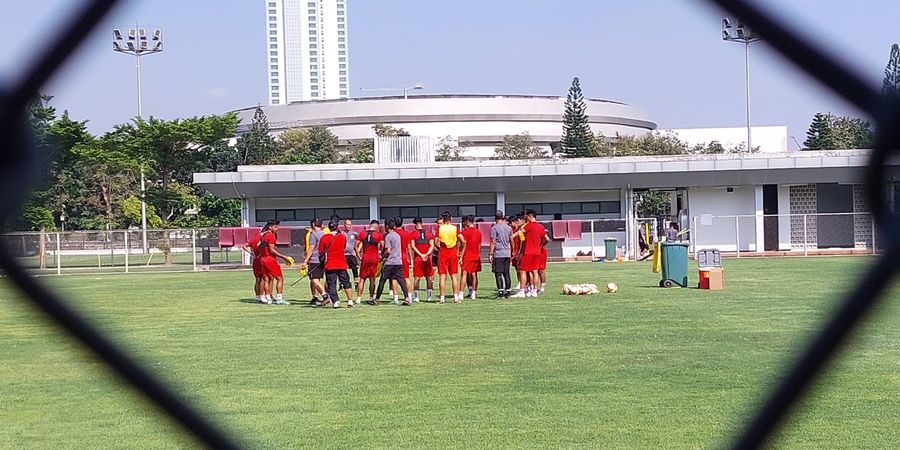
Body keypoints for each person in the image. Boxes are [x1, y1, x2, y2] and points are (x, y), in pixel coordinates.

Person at [372, 218, 411, 306]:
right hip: (398, 261)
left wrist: (382, 257)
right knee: (401, 280)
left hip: (390, 262)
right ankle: (407, 298)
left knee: (382, 280)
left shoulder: (388, 236)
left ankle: (377, 299)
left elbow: (388, 250)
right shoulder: (397, 235)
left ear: (386, 227)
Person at [256, 220, 294, 304]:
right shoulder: (270, 236)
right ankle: (279, 299)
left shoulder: (263, 235)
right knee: (280, 278)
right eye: (275, 227)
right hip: (269, 259)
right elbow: (272, 250)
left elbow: (258, 246)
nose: (277, 229)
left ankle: (268, 298)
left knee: (266, 279)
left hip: (262, 259)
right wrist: (284, 257)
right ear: (270, 227)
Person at [319, 219, 354, 308]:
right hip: (341, 263)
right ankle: (350, 301)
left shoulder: (324, 238)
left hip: (330, 264)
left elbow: (321, 251)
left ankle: (335, 301)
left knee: (331, 284)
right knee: (346, 283)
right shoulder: (342, 237)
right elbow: (344, 247)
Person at [513, 210, 548, 298]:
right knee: (535, 271)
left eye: (526, 217)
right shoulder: (541, 226)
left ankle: (522, 291)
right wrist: (540, 246)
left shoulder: (528, 225)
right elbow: (546, 239)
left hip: (528, 251)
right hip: (537, 252)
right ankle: (534, 291)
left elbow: (519, 233)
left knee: (523, 271)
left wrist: (510, 237)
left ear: (530, 216)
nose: (525, 219)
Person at [435, 211, 465, 303]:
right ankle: (456, 297)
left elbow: (436, 242)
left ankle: (442, 298)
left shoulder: (440, 228)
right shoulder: (455, 228)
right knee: (454, 276)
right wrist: (459, 250)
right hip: (453, 253)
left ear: (442, 219)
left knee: (442, 276)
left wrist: (440, 248)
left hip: (443, 253)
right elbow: (463, 241)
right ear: (451, 218)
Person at [243, 223, 272, 304]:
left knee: (257, 279)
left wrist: (251, 253)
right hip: (262, 259)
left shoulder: (254, 238)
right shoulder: (263, 238)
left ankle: (257, 296)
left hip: (255, 259)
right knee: (264, 278)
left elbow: (244, 245)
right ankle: (263, 296)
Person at [356, 220, 383, 303]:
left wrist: (359, 256)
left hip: (365, 257)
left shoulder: (362, 233)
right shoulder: (378, 235)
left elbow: (356, 246)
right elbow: (383, 245)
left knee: (362, 279)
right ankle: (371, 297)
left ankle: (359, 298)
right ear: (376, 227)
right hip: (374, 258)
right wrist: (381, 254)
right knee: (372, 279)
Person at [302, 218, 327, 305]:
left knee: (314, 280)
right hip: (322, 260)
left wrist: (305, 261)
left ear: (313, 225)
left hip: (314, 260)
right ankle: (315, 297)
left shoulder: (313, 234)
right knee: (317, 279)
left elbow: (311, 249)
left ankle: (325, 296)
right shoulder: (324, 234)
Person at [488, 211, 513, 299]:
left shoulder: (494, 228)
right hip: (507, 253)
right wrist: (512, 251)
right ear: (503, 217)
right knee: (506, 273)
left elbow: (493, 242)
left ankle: (501, 291)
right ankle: (508, 291)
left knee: (498, 273)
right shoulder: (508, 227)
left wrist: (490, 254)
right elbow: (511, 240)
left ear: (495, 217)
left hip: (498, 253)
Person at [411, 217, 435, 302]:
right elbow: (432, 245)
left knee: (417, 277)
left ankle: (416, 297)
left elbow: (413, 246)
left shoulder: (413, 234)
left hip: (418, 258)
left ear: (415, 224)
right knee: (429, 277)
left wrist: (421, 254)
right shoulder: (429, 233)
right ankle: (429, 297)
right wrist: (427, 254)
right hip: (427, 258)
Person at [459, 215, 483, 299]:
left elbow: (462, 244)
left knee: (464, 274)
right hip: (476, 255)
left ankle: (461, 293)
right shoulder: (478, 232)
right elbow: (479, 245)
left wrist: (460, 254)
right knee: (474, 275)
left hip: (467, 255)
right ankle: (474, 293)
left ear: (467, 222)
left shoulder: (464, 232)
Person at [393, 216, 415, 305]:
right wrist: (411, 259)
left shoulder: (393, 233)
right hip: (404, 257)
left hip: (395, 258)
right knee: (406, 278)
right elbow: (409, 247)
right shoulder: (406, 233)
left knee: (394, 278)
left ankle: (395, 298)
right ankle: (409, 297)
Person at [341, 218, 361, 291]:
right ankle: (342, 284)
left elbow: (360, 241)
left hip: (351, 255)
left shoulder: (354, 234)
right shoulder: (341, 233)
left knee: (355, 269)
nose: (348, 226)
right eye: (347, 224)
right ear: (344, 225)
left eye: (350, 225)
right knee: (342, 270)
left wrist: (357, 250)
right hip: (343, 255)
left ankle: (356, 285)